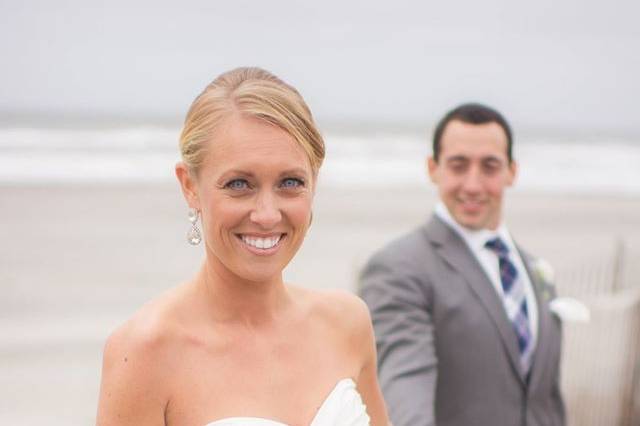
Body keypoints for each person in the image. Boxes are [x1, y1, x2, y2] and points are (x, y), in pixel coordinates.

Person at [96, 67, 389, 426]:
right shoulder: (144, 352)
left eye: (290, 181)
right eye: (238, 184)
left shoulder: (348, 323)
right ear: (189, 186)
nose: (267, 214)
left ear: (315, 182)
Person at [359, 103, 565, 426]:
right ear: (433, 168)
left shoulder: (535, 269)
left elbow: (545, 398)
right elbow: (404, 388)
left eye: (490, 166)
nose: (472, 184)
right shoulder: (398, 268)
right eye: (458, 166)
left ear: (512, 171)